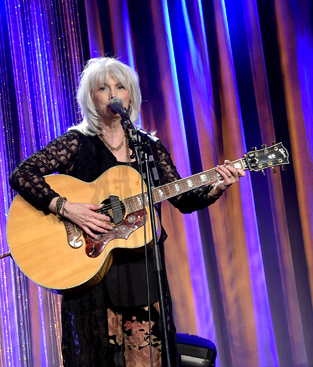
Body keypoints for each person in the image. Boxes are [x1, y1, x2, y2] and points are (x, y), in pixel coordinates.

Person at [9, 57, 245, 366]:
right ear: (91, 98)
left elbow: (183, 199)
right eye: (103, 88)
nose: (112, 93)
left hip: (142, 272)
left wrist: (217, 186)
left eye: (120, 86)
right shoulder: (78, 143)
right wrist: (68, 208)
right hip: (90, 273)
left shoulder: (148, 147)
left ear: (130, 94)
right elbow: (22, 175)